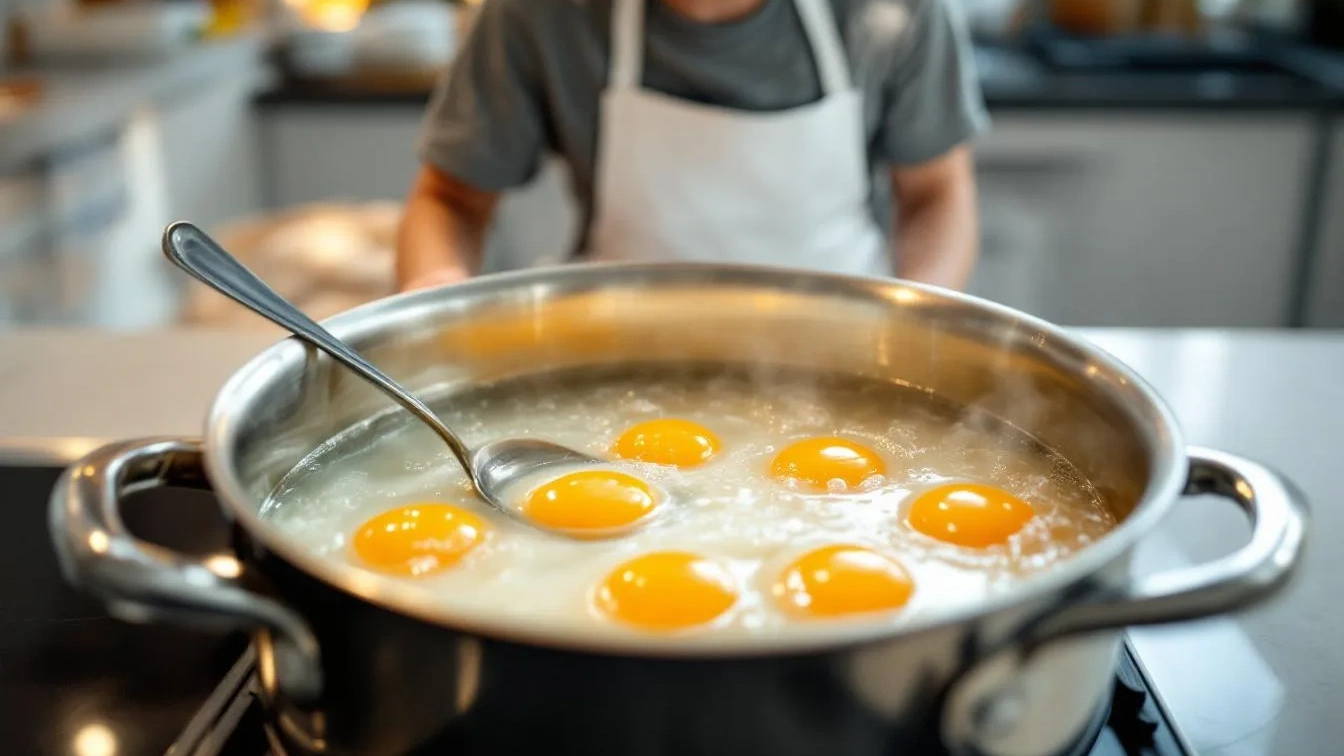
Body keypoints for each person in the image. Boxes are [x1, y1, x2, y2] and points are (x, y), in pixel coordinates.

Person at [396, 0, 988, 292]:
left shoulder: (893, 10)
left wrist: (912, 329)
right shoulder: (539, 14)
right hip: (605, 354)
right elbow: (452, 199)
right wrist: (434, 305)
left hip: (850, 352)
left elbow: (935, 191)